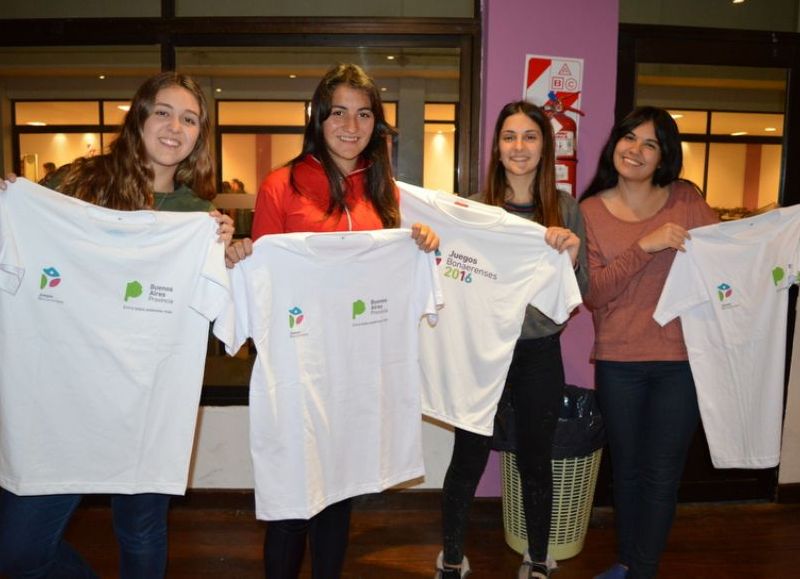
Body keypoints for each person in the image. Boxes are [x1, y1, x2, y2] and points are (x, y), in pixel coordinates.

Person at [0, 71, 234, 579]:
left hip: (146, 401)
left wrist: (224, 251)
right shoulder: (74, 183)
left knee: (142, 529)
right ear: (139, 118)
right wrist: (13, 204)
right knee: (18, 551)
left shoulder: (197, 218)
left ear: (200, 135)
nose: (176, 127)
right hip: (61, 397)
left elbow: (222, 324)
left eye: (190, 119)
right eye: (163, 112)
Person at [224, 63, 438, 579]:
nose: (351, 125)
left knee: (340, 492)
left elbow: (389, 267)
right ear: (318, 117)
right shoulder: (282, 184)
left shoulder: (384, 191)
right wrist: (240, 253)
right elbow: (264, 274)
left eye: (364, 114)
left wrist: (422, 242)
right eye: (338, 112)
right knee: (292, 503)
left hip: (355, 367)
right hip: (296, 367)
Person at [432, 101, 587, 579]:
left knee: (536, 458)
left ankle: (539, 557)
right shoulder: (473, 209)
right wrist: (431, 241)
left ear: (545, 148)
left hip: (539, 351)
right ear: (497, 148)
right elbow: (454, 273)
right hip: (482, 351)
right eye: (509, 137)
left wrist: (574, 255)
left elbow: (577, 292)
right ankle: (452, 557)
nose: (519, 147)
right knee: (468, 455)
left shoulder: (565, 210)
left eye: (530, 137)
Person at [579, 106, 718, 579]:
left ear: (664, 157)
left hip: (681, 361)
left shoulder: (687, 201)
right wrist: (647, 245)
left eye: (649, 143)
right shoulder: (590, 211)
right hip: (619, 361)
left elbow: (724, 261)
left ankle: (642, 570)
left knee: (662, 476)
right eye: (628, 138)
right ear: (614, 143)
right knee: (629, 472)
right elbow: (593, 294)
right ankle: (627, 562)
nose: (634, 150)